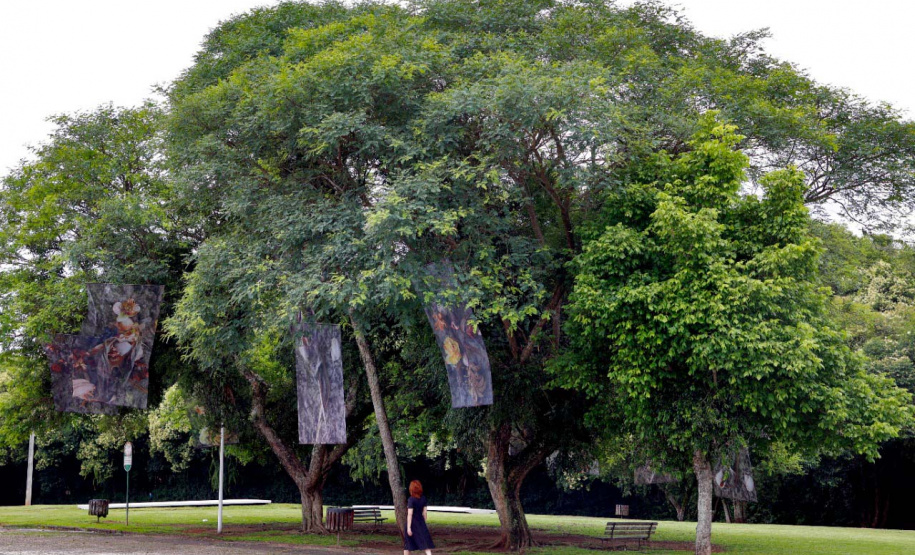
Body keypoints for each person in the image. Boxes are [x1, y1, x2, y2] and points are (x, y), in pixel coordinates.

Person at [403, 480, 434, 555]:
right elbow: (425, 513)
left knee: (407, 544)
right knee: (425, 544)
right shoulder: (423, 499)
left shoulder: (411, 500)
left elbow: (410, 514)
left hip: (412, 524)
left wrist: (408, 528)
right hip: (420, 523)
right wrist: (423, 523)